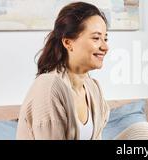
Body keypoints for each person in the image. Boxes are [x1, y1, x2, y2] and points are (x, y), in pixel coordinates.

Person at [16, 2, 110, 140]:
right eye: (96, 38)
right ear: (68, 42)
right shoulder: (49, 87)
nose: (105, 46)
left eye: (105, 38)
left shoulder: (93, 88)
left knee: (141, 131)